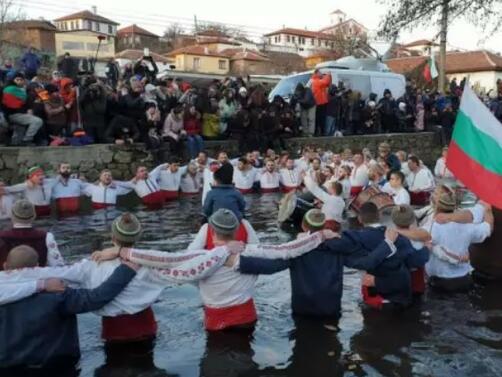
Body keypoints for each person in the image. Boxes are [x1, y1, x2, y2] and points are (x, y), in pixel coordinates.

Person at [121, 209, 337, 331]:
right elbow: (286, 251)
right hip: (246, 317)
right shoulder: (251, 251)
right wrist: (318, 235)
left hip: (215, 321)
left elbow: (165, 259)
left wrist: (123, 252)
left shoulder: (200, 257)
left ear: (210, 230)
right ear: (236, 230)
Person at [0, 245, 138, 376]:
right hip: (56, 365)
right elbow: (96, 298)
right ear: (38, 267)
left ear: (5, 266)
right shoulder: (57, 294)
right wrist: (127, 269)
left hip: (8, 365)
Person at [234, 209, 396, 319]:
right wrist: (387, 243)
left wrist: (237, 263)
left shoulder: (295, 250)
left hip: (302, 308)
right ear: (324, 226)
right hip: (331, 307)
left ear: (304, 225)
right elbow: (366, 262)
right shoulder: (338, 248)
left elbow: (271, 267)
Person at [348, 202, 430, 310]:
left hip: (374, 295)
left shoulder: (356, 241)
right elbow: (415, 261)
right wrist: (427, 249)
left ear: (360, 219)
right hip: (404, 292)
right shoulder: (405, 239)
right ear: (380, 216)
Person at [426, 192, 493, 292]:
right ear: (455, 205)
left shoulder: (429, 228)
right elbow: (487, 229)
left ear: (434, 206)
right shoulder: (467, 226)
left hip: (439, 280)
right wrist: (488, 210)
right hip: (463, 279)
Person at [0, 199, 64, 270]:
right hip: (37, 279)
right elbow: (57, 266)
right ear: (34, 216)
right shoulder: (46, 236)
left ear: (12, 216)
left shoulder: (1, 237)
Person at [1, 71, 43, 145]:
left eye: (21, 80)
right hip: (13, 114)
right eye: (17, 79)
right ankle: (27, 140)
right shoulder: (11, 89)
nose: (19, 81)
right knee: (37, 121)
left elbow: (45, 100)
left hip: (18, 115)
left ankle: (16, 143)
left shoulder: (24, 91)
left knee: (20, 131)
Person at [311, 70, 332, 136]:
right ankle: (319, 132)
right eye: (320, 73)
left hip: (321, 102)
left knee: (320, 118)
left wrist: (329, 76)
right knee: (320, 118)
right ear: (316, 73)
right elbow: (325, 82)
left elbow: (328, 84)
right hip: (319, 102)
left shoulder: (318, 80)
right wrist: (328, 75)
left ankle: (320, 132)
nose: (321, 74)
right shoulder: (316, 81)